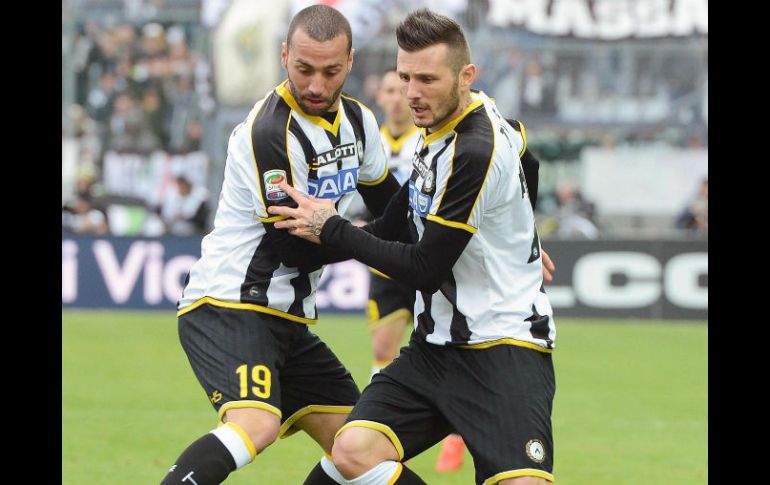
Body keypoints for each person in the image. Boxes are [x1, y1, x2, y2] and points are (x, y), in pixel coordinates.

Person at [270, 9, 557, 485]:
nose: (412, 93)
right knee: (353, 451)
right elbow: (527, 159)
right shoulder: (446, 124)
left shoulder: (474, 148)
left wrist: (332, 227)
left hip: (504, 347)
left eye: (427, 78)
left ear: (466, 76)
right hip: (435, 349)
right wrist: (521, 232)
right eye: (405, 77)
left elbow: (424, 267)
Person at [159, 5, 402, 484]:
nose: (316, 85)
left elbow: (391, 208)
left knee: (358, 446)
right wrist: (363, 237)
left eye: (330, 71)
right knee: (256, 424)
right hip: (232, 303)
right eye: (304, 69)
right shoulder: (269, 132)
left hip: (287, 320)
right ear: (284, 55)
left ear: (351, 61)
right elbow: (294, 248)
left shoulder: (359, 122)